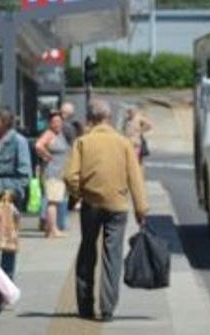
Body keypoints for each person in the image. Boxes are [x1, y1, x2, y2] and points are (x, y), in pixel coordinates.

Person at [64, 99, 148, 321]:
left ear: (90, 119)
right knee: (113, 255)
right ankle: (108, 307)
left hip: (91, 205)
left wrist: (79, 194)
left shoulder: (82, 142)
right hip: (118, 206)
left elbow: (69, 176)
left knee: (87, 251)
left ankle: (85, 306)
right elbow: (135, 178)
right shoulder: (123, 143)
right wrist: (141, 209)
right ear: (109, 118)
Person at [0, 108, 32, 280]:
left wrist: (9, 193)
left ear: (4, 122)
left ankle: (5, 286)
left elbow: (24, 176)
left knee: (7, 244)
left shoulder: (19, 142)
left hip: (6, 198)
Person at [35, 112, 70, 238]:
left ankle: (49, 230)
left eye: (59, 122)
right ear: (50, 123)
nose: (57, 124)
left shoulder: (59, 134)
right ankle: (53, 229)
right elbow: (38, 145)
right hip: (53, 173)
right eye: (54, 122)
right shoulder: (49, 134)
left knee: (54, 201)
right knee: (53, 202)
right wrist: (46, 155)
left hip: (58, 173)